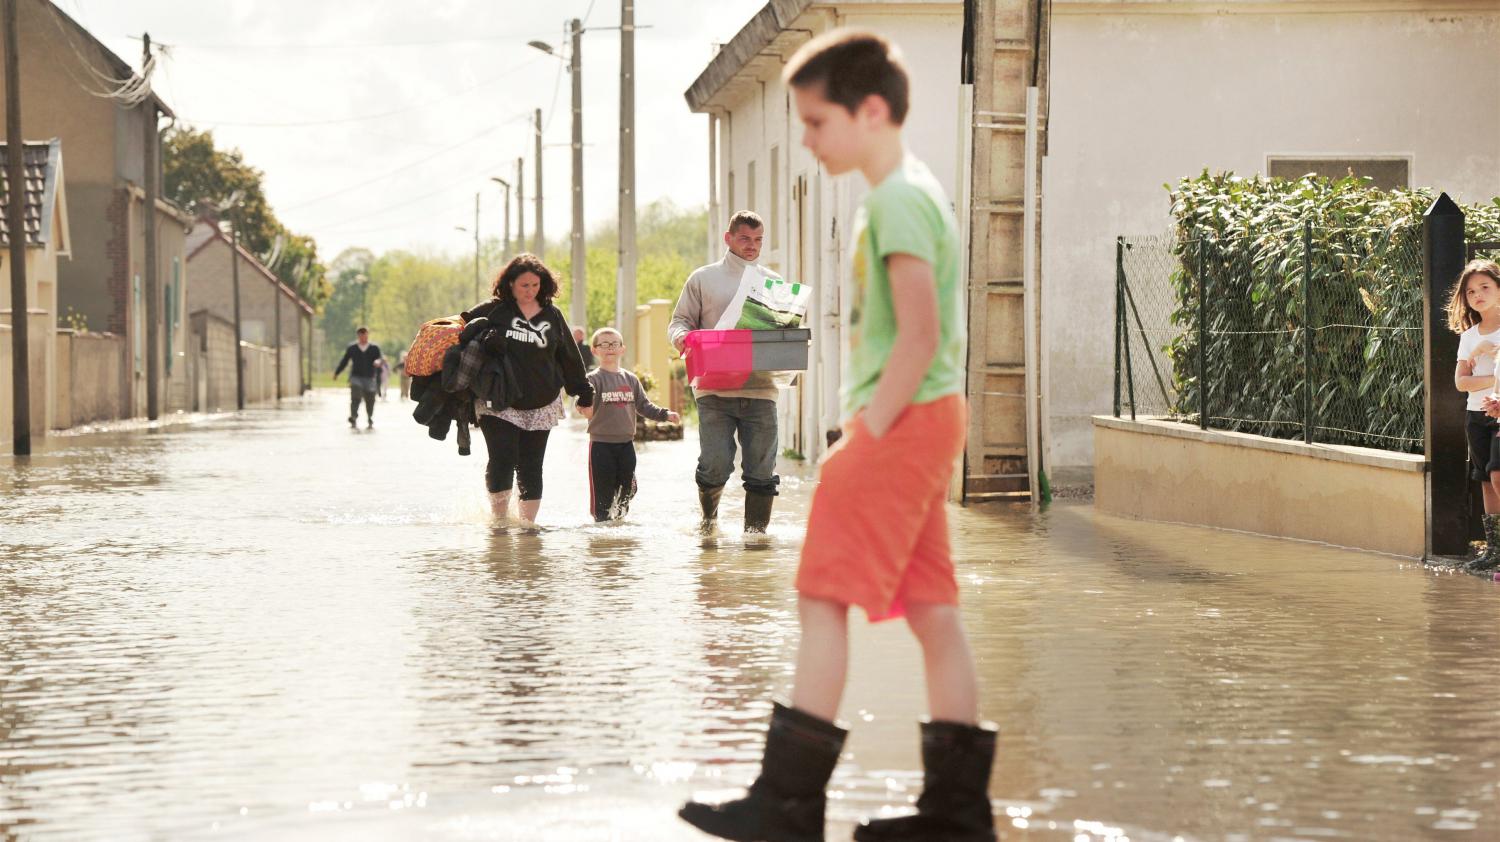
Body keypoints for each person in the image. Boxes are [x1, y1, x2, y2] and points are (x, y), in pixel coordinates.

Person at [680, 31, 997, 842]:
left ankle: (787, 806)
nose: (808, 139)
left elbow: (920, 336)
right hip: (926, 419)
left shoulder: (896, 201)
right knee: (932, 609)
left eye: (817, 123)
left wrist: (865, 432)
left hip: (901, 420)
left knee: (821, 596)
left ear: (872, 110)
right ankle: (955, 817)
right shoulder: (909, 192)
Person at [669, 210, 779, 533]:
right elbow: (679, 320)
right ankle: (708, 522)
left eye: (758, 240)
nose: (752, 246)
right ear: (728, 238)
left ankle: (756, 544)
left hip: (761, 387)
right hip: (713, 388)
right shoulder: (702, 278)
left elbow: (784, 326)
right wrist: (680, 337)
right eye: (745, 238)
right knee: (715, 465)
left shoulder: (772, 282)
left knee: (762, 468)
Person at [461, 254, 593, 524]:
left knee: (531, 466)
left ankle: (527, 527)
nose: (530, 291)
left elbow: (568, 355)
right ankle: (499, 524)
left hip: (542, 401)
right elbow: (458, 333)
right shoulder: (492, 311)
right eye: (524, 286)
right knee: (502, 460)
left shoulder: (552, 314)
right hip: (499, 401)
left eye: (535, 285)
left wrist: (583, 391)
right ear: (509, 284)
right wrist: (485, 341)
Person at [582, 327, 680, 521]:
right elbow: (584, 404)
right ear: (595, 350)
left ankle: (620, 528)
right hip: (601, 446)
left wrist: (665, 414)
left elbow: (644, 406)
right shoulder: (592, 379)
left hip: (626, 445)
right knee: (603, 494)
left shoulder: (630, 379)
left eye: (614, 344)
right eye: (604, 344)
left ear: (622, 349)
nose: (610, 348)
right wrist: (583, 406)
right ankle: (602, 531)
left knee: (628, 489)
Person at [1452, 259, 1500, 572]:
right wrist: (1492, 381)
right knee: (1485, 479)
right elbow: (1461, 382)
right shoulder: (1468, 336)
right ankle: (1494, 550)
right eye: (1471, 291)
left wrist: (1490, 351)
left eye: (1485, 287)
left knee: (1498, 473)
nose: (1477, 295)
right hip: (1476, 413)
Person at [333, 327, 384, 428]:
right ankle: (353, 417)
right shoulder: (352, 348)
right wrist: (337, 372)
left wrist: (378, 362)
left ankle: (370, 417)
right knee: (355, 396)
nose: (362, 337)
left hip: (370, 378)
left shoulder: (374, 348)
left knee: (370, 399)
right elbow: (345, 361)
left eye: (364, 335)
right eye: (360, 335)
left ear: (367, 335)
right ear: (358, 336)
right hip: (356, 377)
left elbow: (380, 359)